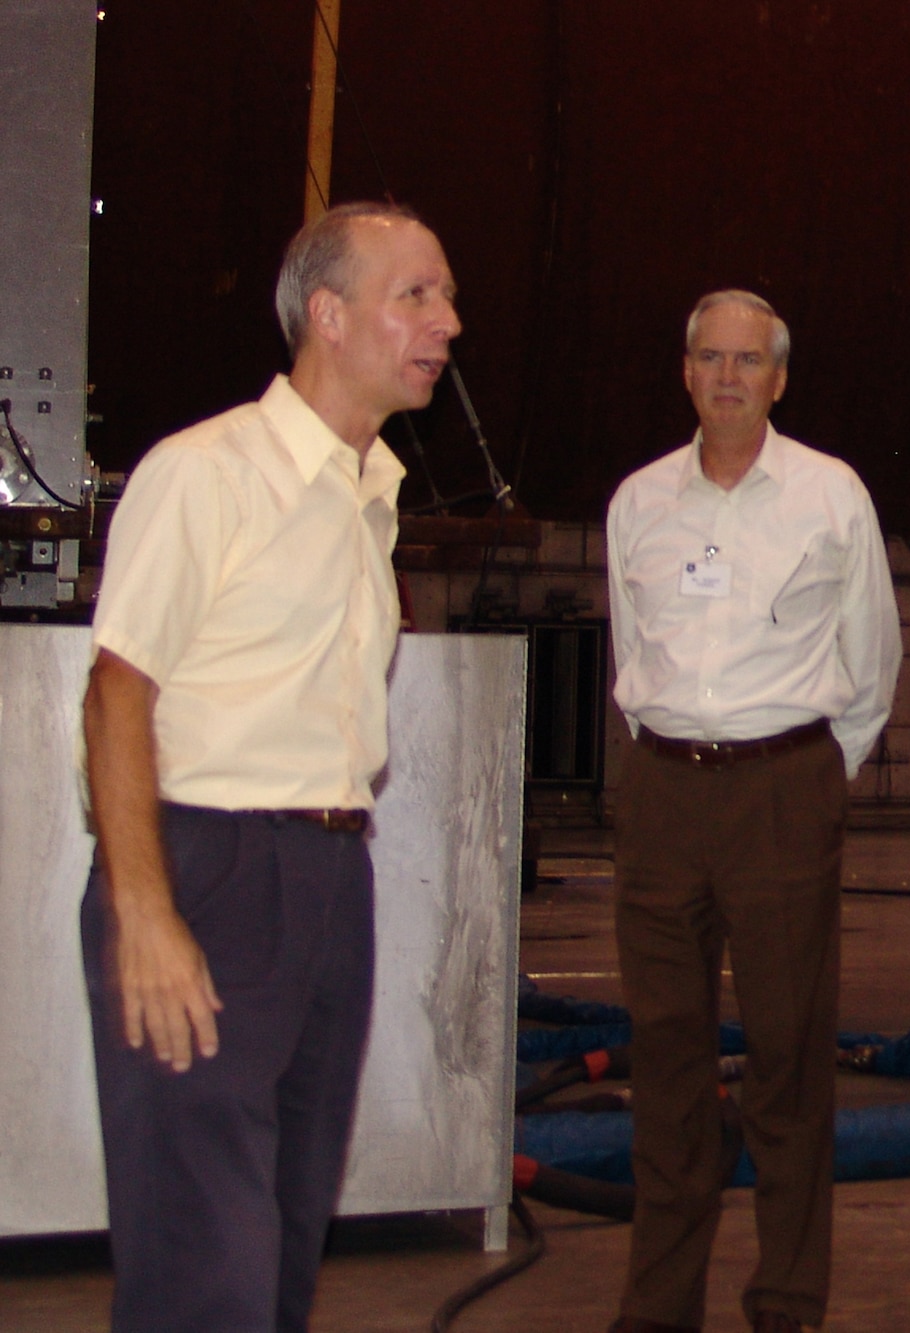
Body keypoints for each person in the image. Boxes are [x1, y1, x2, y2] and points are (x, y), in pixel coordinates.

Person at [80, 201, 457, 1330]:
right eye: (417, 295)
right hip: (208, 868)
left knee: (284, 1243)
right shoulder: (207, 474)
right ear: (328, 316)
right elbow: (115, 693)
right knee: (207, 1260)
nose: (448, 321)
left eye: (445, 296)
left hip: (332, 874)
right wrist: (144, 909)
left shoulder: (367, 495)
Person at [604, 290, 901, 1333]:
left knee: (786, 1057)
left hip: (782, 790)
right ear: (684, 372)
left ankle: (786, 1303)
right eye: (708, 358)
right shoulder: (638, 502)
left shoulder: (829, 497)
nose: (727, 376)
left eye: (747, 360)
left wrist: (810, 775)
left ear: (778, 378)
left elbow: (871, 662)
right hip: (661, 794)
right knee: (667, 1054)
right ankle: (657, 1307)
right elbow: (629, 652)